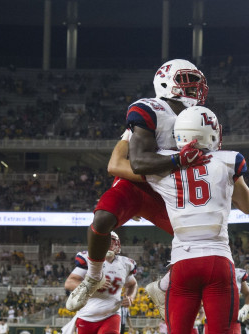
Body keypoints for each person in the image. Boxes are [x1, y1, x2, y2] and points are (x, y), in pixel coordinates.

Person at [66, 59, 210, 313]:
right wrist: (176, 161)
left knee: (201, 242)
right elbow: (138, 162)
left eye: (196, 83)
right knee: (102, 218)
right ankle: (93, 276)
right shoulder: (152, 109)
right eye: (187, 81)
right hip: (138, 185)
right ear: (166, 82)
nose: (195, 88)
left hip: (171, 192)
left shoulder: (199, 118)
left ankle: (163, 286)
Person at [151, 105, 249, 334]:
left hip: (182, 262)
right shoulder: (228, 161)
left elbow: (128, 165)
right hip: (217, 260)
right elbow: (248, 205)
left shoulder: (162, 165)